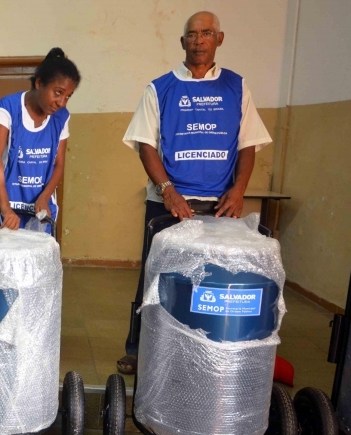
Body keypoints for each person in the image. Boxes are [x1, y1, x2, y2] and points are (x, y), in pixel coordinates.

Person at [117, 11, 272, 374]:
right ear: (183, 42)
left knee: (211, 280)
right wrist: (167, 190)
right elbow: (145, 144)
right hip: (169, 205)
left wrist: (239, 190)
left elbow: (247, 144)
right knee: (156, 277)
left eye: (206, 33)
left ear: (219, 39)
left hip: (219, 207)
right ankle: (140, 349)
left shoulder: (236, 86)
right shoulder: (161, 87)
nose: (198, 40)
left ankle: (200, 347)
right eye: (192, 34)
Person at [0, 47, 80, 229]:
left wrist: (44, 197)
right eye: (58, 92)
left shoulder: (62, 117)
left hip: (39, 203)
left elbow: (59, 164)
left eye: (68, 96)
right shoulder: (9, 107)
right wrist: (5, 208)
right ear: (39, 83)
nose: (61, 102)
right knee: (2, 255)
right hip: (5, 200)